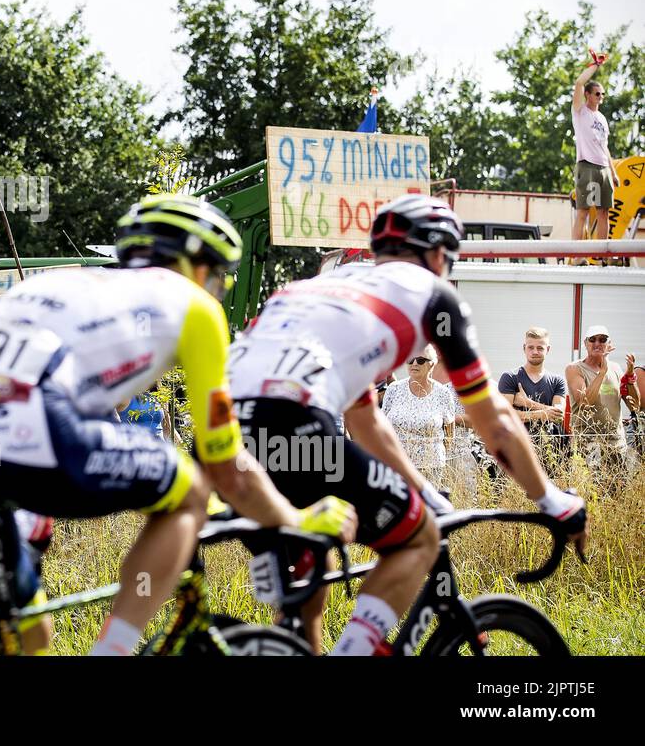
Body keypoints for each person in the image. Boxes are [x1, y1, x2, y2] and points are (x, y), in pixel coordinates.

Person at [0, 194, 355, 657]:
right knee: (192, 493)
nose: (217, 289)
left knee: (28, 638)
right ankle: (115, 649)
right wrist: (294, 518)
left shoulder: (66, 286)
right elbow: (224, 463)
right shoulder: (195, 307)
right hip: (31, 431)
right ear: (196, 266)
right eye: (219, 276)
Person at [227, 194, 588, 655]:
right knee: (420, 537)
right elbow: (494, 420)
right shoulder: (430, 294)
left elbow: (366, 420)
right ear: (439, 256)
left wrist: (423, 489)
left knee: (305, 588)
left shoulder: (322, 288)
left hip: (226, 438)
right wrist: (553, 499)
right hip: (294, 426)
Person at [565, 325, 640, 475]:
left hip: (616, 443)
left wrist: (630, 377)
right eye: (592, 339)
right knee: (591, 494)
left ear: (609, 343)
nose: (597, 343)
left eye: (602, 339)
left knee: (618, 491)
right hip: (588, 444)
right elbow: (584, 403)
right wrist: (602, 372)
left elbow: (635, 405)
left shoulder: (616, 368)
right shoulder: (575, 369)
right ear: (585, 344)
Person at [379, 347, 457, 485]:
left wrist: (437, 454)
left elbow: (450, 432)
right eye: (410, 360)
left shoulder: (443, 393)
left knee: (426, 505)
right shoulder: (393, 389)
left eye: (420, 360)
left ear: (431, 364)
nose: (414, 364)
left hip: (430, 467)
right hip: (396, 463)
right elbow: (383, 426)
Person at [497, 327, 569, 470]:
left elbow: (558, 415)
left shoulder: (557, 381)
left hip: (550, 450)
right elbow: (505, 415)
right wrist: (543, 413)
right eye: (531, 347)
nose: (535, 352)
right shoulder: (510, 377)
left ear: (547, 349)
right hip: (517, 447)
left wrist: (527, 403)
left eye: (540, 348)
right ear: (524, 348)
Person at [571, 52, 618, 249]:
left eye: (603, 94)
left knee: (603, 212)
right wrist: (595, 66)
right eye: (597, 93)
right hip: (587, 166)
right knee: (583, 212)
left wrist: (613, 171)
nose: (601, 97)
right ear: (588, 95)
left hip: (604, 168)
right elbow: (579, 83)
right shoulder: (580, 111)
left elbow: (604, 146)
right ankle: (578, 256)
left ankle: (601, 257)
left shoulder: (602, 118)